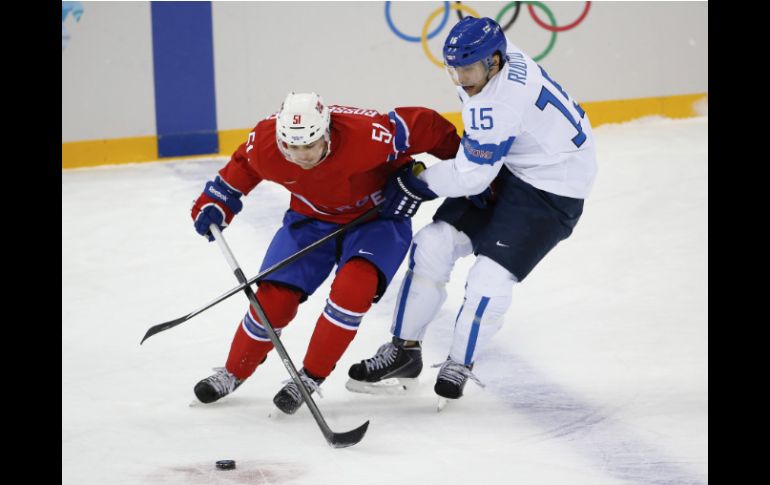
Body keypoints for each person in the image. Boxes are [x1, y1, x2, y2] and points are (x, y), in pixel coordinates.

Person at [347, 16, 598, 402]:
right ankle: (404, 350)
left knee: (488, 281)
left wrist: (417, 183)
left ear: (494, 61)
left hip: (553, 189)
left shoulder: (500, 101)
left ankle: (459, 363)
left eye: (469, 69)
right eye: (455, 70)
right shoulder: (494, 60)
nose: (462, 78)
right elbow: (477, 168)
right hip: (512, 166)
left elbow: (471, 178)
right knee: (431, 244)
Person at [190, 92, 460, 414]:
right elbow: (243, 165)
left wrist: (467, 165)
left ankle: (310, 377)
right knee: (273, 299)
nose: (302, 155)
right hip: (309, 219)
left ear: (327, 133)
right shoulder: (265, 143)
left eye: (310, 145)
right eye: (293, 147)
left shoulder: (367, 134)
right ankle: (233, 371)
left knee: (353, 288)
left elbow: (426, 126)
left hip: (376, 219)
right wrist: (217, 200)